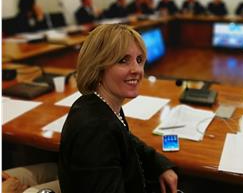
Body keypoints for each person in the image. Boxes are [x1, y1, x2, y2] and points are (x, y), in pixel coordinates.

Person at [58, 24, 178, 193]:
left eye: (139, 60)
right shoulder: (95, 130)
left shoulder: (99, 104)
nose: (137, 70)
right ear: (98, 67)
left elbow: (126, 140)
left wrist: (159, 164)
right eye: (123, 60)